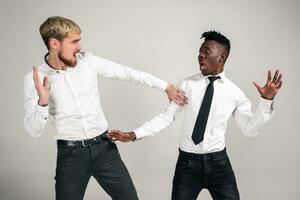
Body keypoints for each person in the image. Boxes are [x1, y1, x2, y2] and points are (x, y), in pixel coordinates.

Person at [23, 16, 188, 200]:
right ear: (55, 43)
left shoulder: (88, 62)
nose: (79, 47)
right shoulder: (34, 79)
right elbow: (34, 130)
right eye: (74, 42)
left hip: (104, 148)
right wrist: (43, 102)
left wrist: (166, 86)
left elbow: (129, 73)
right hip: (71, 156)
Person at [107, 31, 283, 200]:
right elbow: (167, 117)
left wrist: (266, 101)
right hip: (187, 165)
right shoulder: (187, 85)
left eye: (207, 51)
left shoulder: (235, 94)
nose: (200, 55)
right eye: (200, 51)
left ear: (221, 57)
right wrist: (133, 134)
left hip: (219, 165)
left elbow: (249, 130)